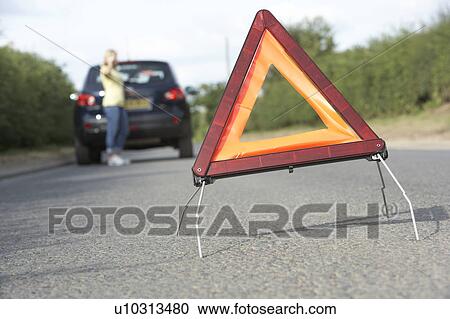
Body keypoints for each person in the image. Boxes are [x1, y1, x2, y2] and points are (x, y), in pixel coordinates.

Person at [100, 49, 130, 166]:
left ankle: (117, 155)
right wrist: (110, 63)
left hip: (120, 104)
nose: (115, 59)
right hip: (111, 104)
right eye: (112, 57)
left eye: (115, 57)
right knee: (113, 129)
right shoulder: (104, 68)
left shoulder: (116, 71)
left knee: (124, 130)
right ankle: (110, 155)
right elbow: (106, 72)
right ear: (107, 58)